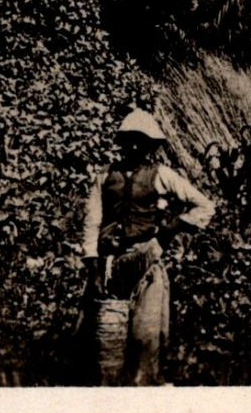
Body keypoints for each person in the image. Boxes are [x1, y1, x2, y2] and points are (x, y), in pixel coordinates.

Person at [81, 108, 215, 386]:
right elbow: (92, 224)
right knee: (106, 345)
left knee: (146, 339)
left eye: (140, 141)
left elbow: (204, 206)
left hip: (147, 262)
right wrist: (93, 271)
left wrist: (171, 229)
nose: (133, 146)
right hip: (111, 268)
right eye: (129, 139)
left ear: (149, 146)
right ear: (121, 142)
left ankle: (146, 397)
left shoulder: (161, 175)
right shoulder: (105, 177)